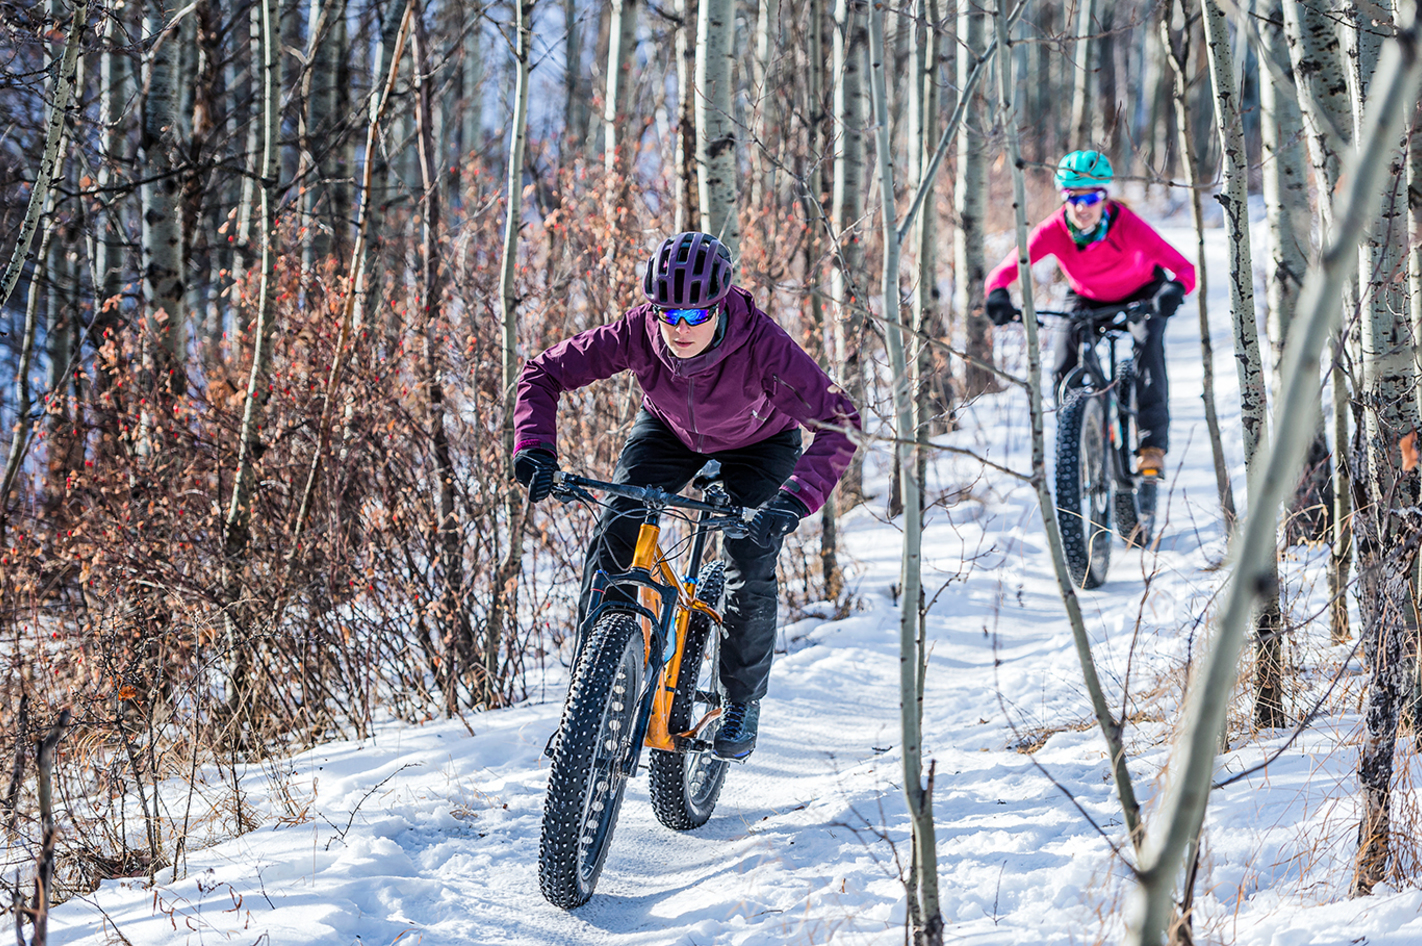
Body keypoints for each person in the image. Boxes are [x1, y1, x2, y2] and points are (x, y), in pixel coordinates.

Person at [511, 231, 861, 761]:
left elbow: (842, 423)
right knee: (616, 534)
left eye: (695, 316)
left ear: (719, 307)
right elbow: (543, 372)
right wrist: (535, 449)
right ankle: (593, 693)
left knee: (748, 556)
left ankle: (741, 701)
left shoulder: (763, 345)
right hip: (668, 434)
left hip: (760, 445)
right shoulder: (639, 330)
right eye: (667, 313)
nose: (679, 328)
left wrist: (790, 503)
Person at [983, 150, 1195, 478]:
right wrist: (997, 295)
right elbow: (1004, 270)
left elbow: (1184, 268)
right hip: (1087, 295)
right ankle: (1078, 433)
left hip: (1142, 294)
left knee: (1147, 350)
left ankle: (1151, 446)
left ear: (1105, 196)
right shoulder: (1053, 230)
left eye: (1092, 197)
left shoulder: (1127, 225)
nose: (1082, 207)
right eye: (1072, 197)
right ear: (1064, 197)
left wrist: (1174, 290)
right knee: (1063, 358)